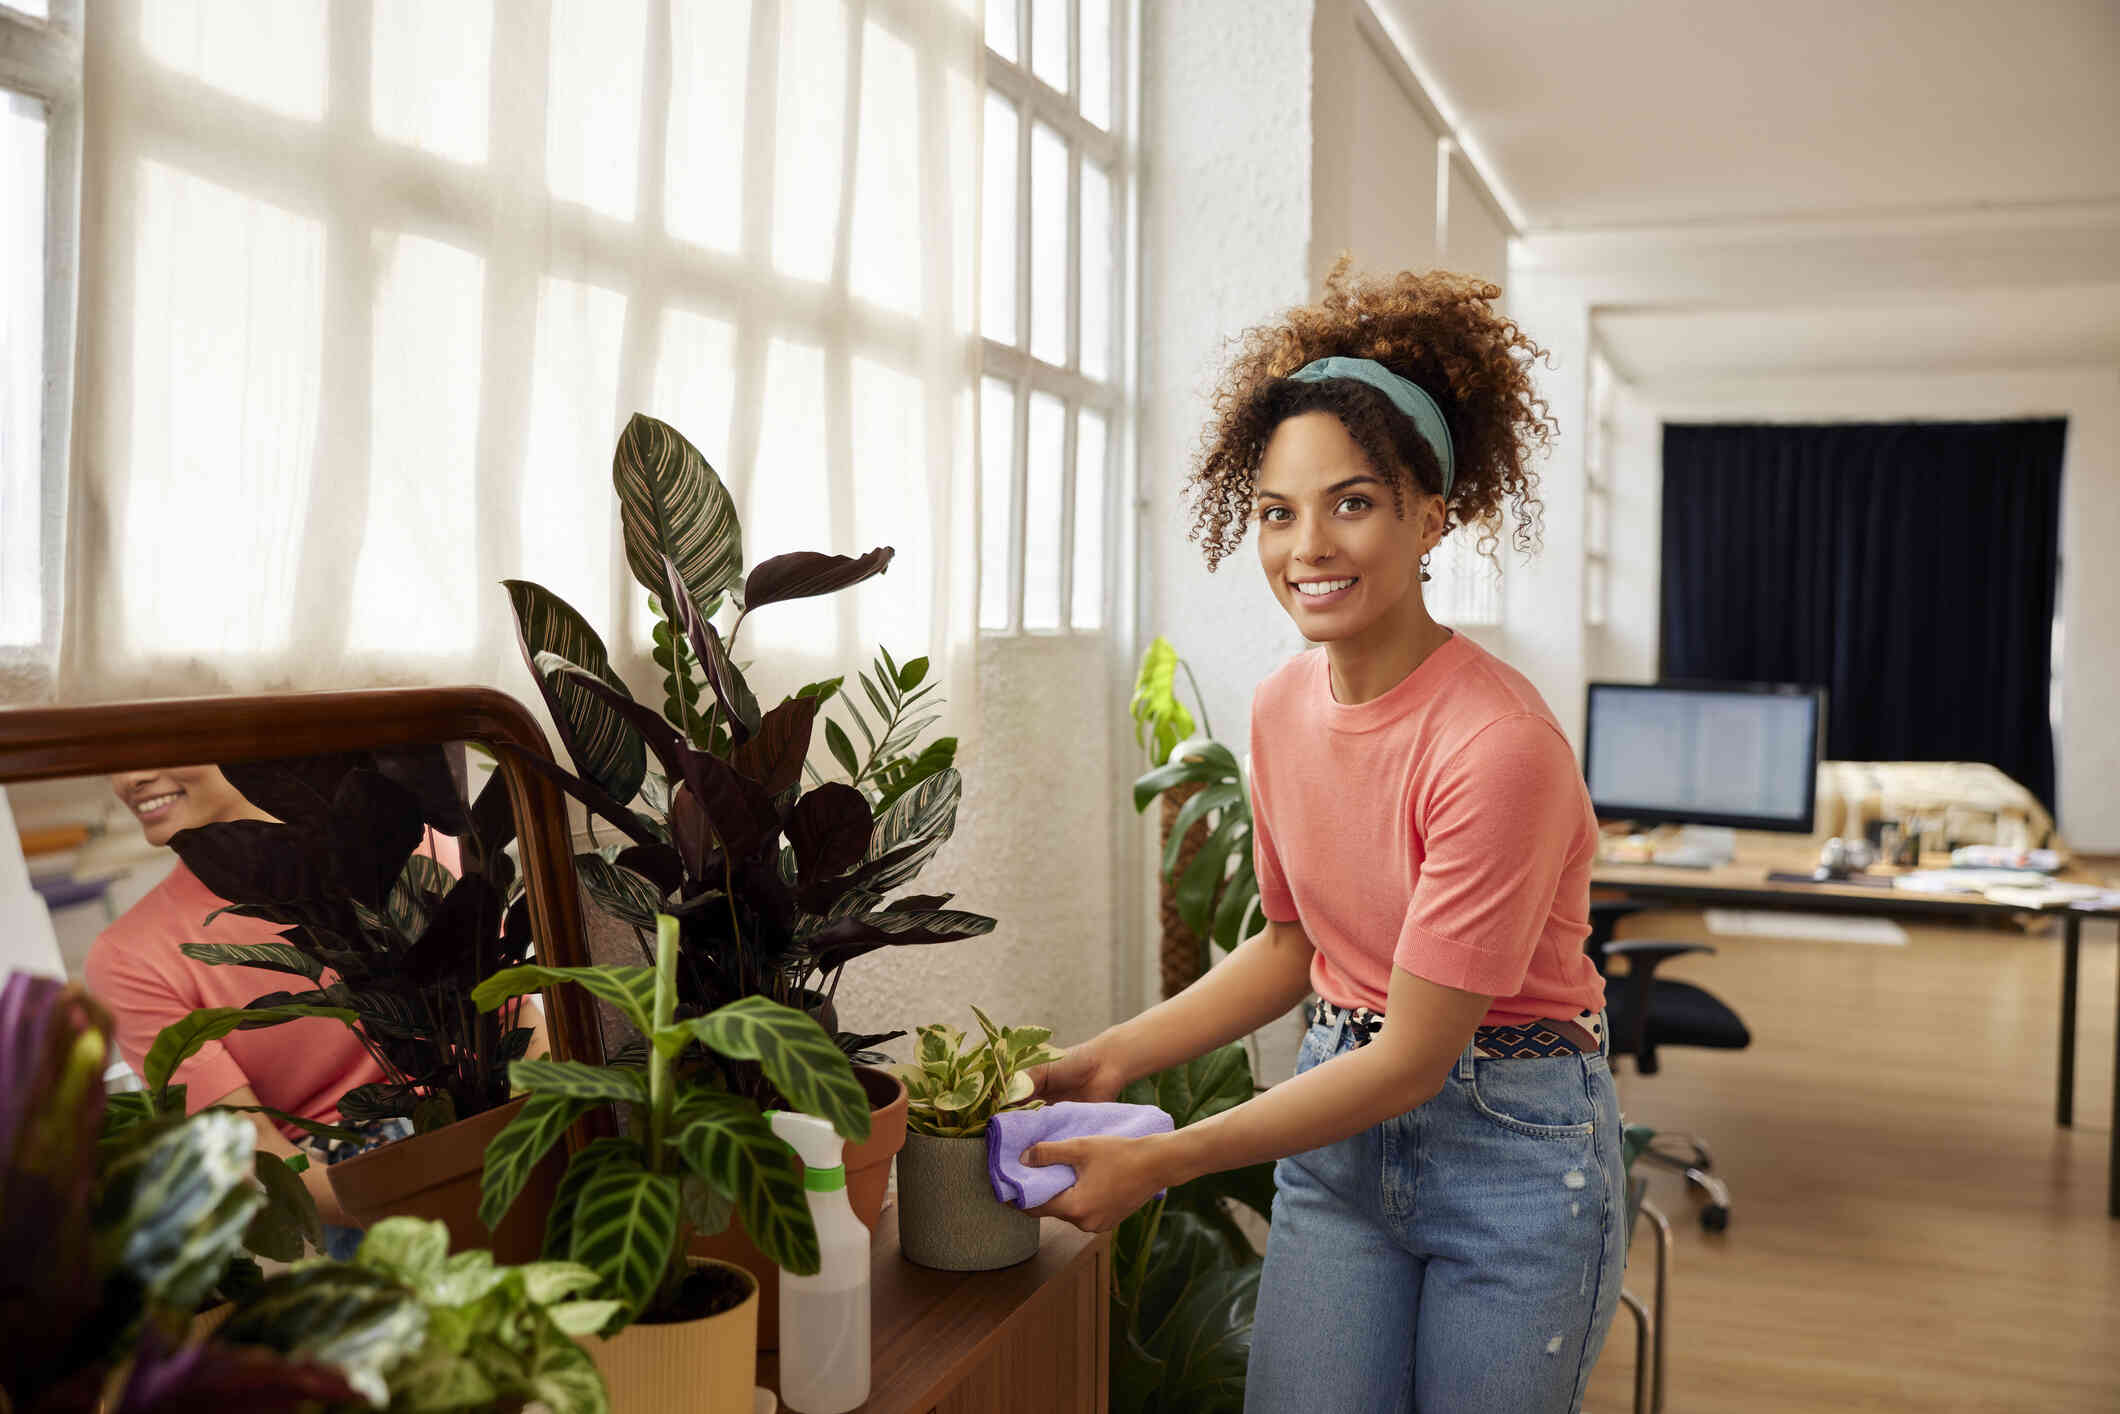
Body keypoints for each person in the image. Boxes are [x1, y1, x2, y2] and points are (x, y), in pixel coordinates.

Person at [1024, 263, 1621, 1413]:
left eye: (1351, 502)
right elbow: (1294, 945)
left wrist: (1158, 1158)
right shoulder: (1279, 708)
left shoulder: (1496, 745)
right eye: (1275, 511)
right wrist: (1112, 1058)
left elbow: (1411, 1057)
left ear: (1429, 515)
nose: (1308, 545)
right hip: (1341, 1140)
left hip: (1509, 1146)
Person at [83, 762, 527, 1257]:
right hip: (361, 1202)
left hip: (506, 1133)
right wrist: (433, 1218)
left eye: (153, 742)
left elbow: (518, 1018)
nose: (128, 779)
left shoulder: (411, 841)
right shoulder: (130, 953)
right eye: (112, 760)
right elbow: (255, 1154)